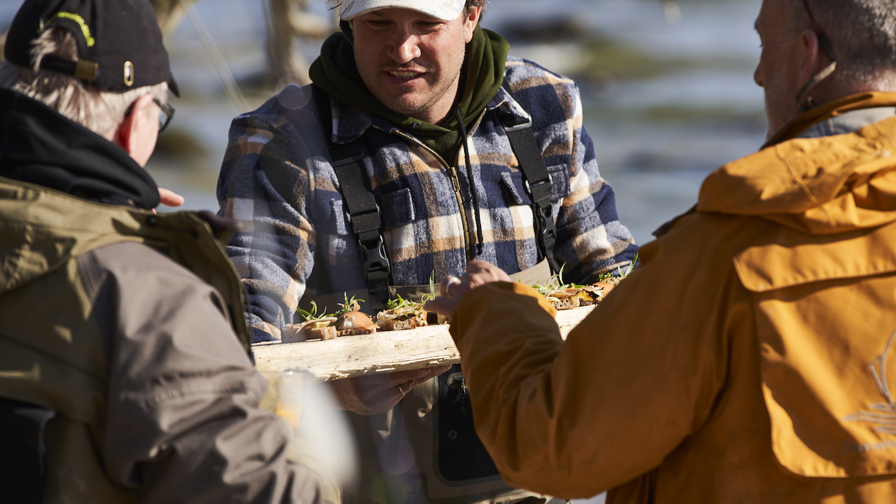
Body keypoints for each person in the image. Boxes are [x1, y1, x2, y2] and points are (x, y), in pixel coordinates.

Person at [424, 0, 896, 502]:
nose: (759, 75)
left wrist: (496, 314)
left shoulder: (723, 254)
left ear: (807, 56)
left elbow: (552, 448)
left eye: (765, 45)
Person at [216, 0, 638, 502]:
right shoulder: (280, 141)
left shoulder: (545, 105)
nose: (402, 50)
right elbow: (242, 338)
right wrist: (329, 390)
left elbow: (615, 280)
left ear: (471, 15)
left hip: (536, 478)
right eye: (379, 23)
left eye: (426, 24)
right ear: (347, 20)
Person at [0, 0, 337, 502]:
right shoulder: (150, 301)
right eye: (160, 117)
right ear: (136, 121)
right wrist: (304, 437)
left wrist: (105, 218)